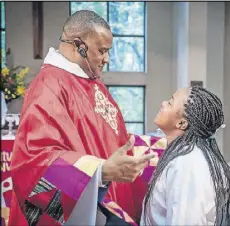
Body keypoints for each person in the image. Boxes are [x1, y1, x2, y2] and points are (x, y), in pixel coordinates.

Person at [8, 10, 164, 226]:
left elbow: (108, 137)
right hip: (88, 204)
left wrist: (154, 145)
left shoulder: (92, 82)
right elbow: (35, 160)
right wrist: (100, 172)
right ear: (79, 45)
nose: (107, 59)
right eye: (102, 51)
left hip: (107, 196)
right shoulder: (49, 85)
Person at [141, 86, 230, 225]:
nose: (163, 103)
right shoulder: (185, 158)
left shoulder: (187, 165)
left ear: (182, 123)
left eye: (170, 102)